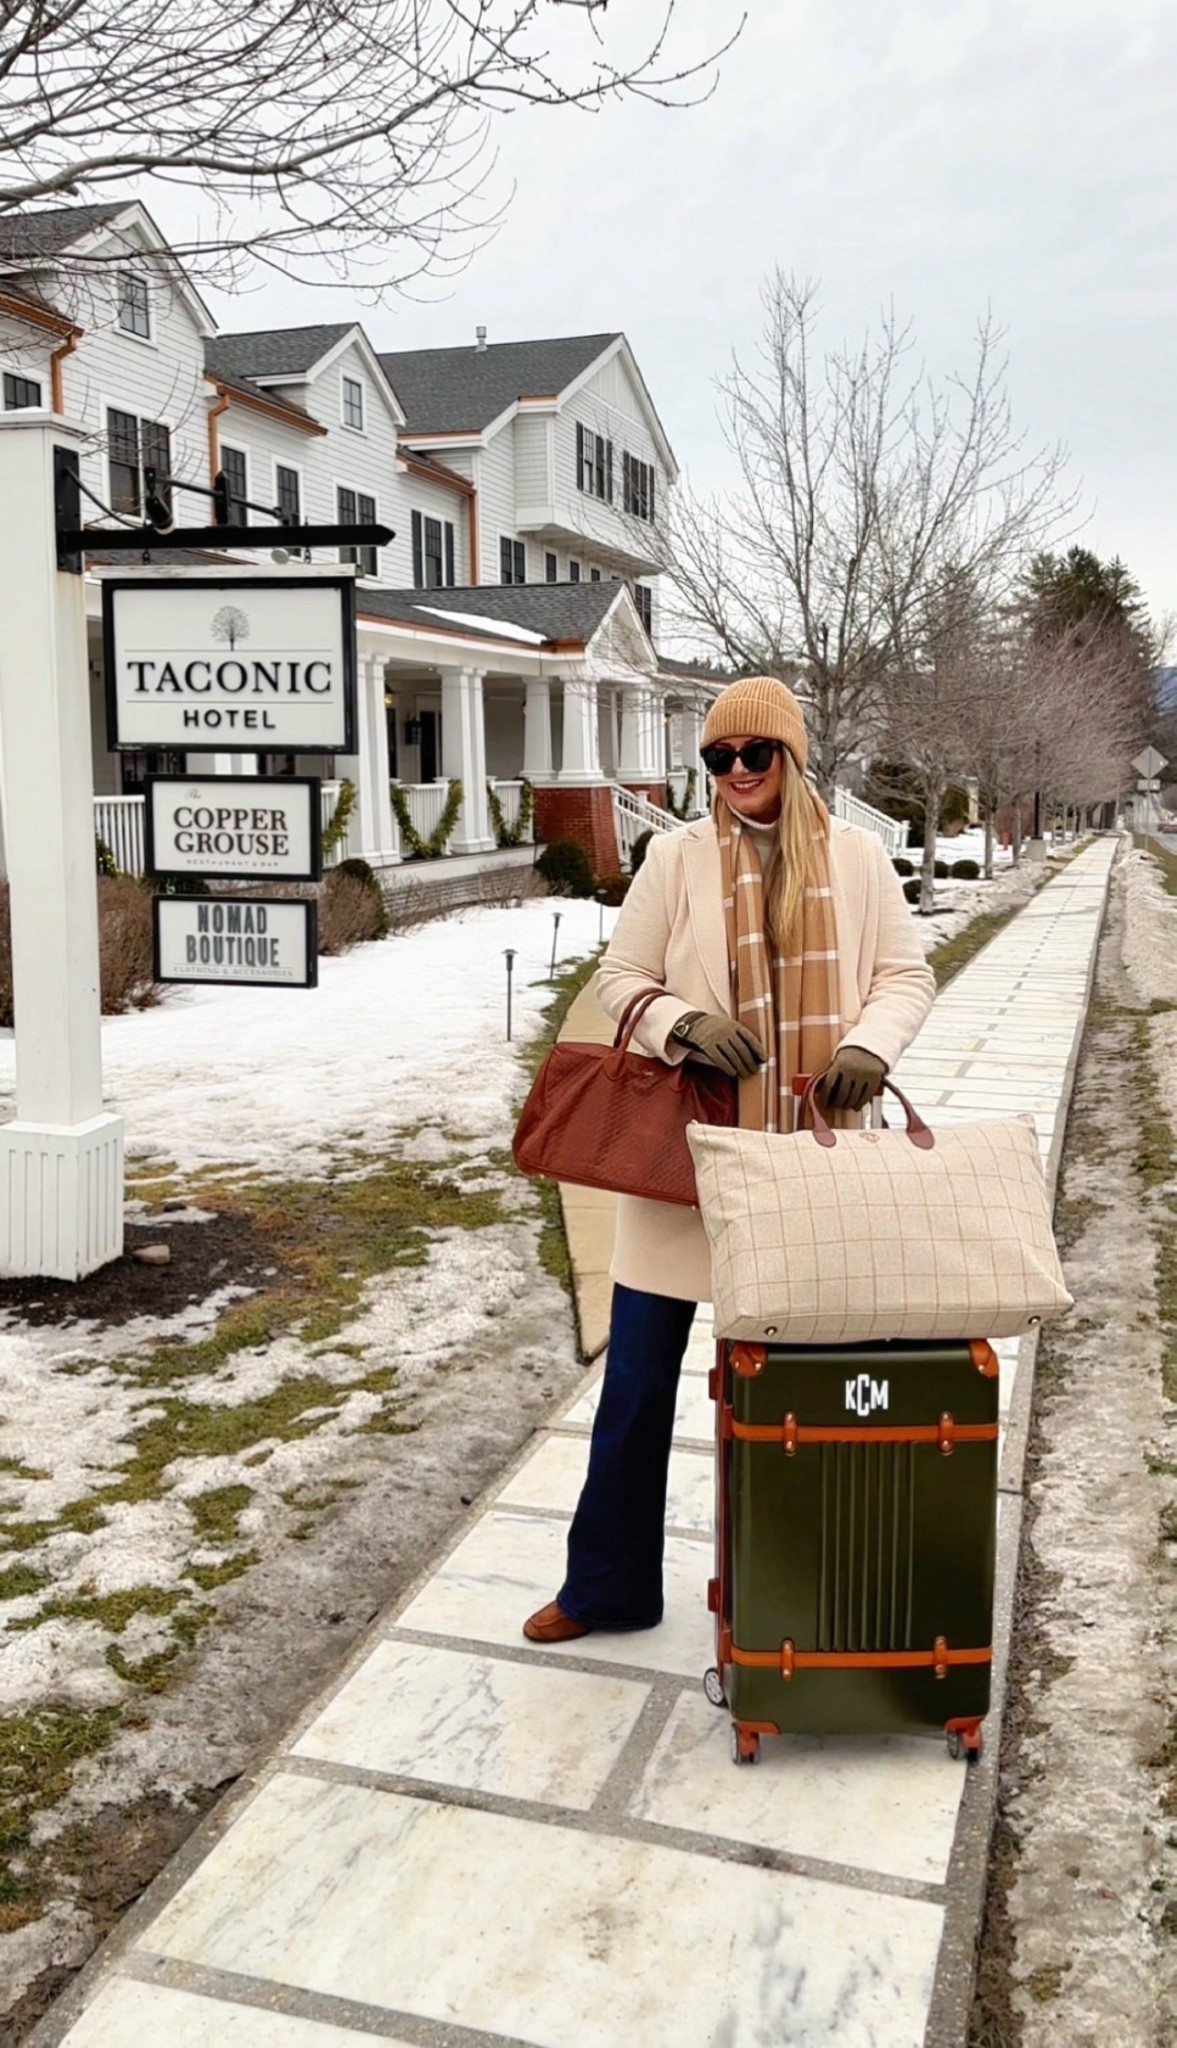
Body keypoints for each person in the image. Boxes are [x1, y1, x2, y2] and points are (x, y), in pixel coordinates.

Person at [523, 675, 936, 1645]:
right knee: (633, 1386)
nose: (737, 772)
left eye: (756, 753)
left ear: (791, 755)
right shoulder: (676, 858)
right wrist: (679, 1023)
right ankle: (607, 1585)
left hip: (810, 1168)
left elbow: (903, 975)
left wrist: (869, 1046)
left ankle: (804, 1588)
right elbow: (619, 977)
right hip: (687, 1165)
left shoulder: (859, 856)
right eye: (718, 757)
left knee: (800, 1394)